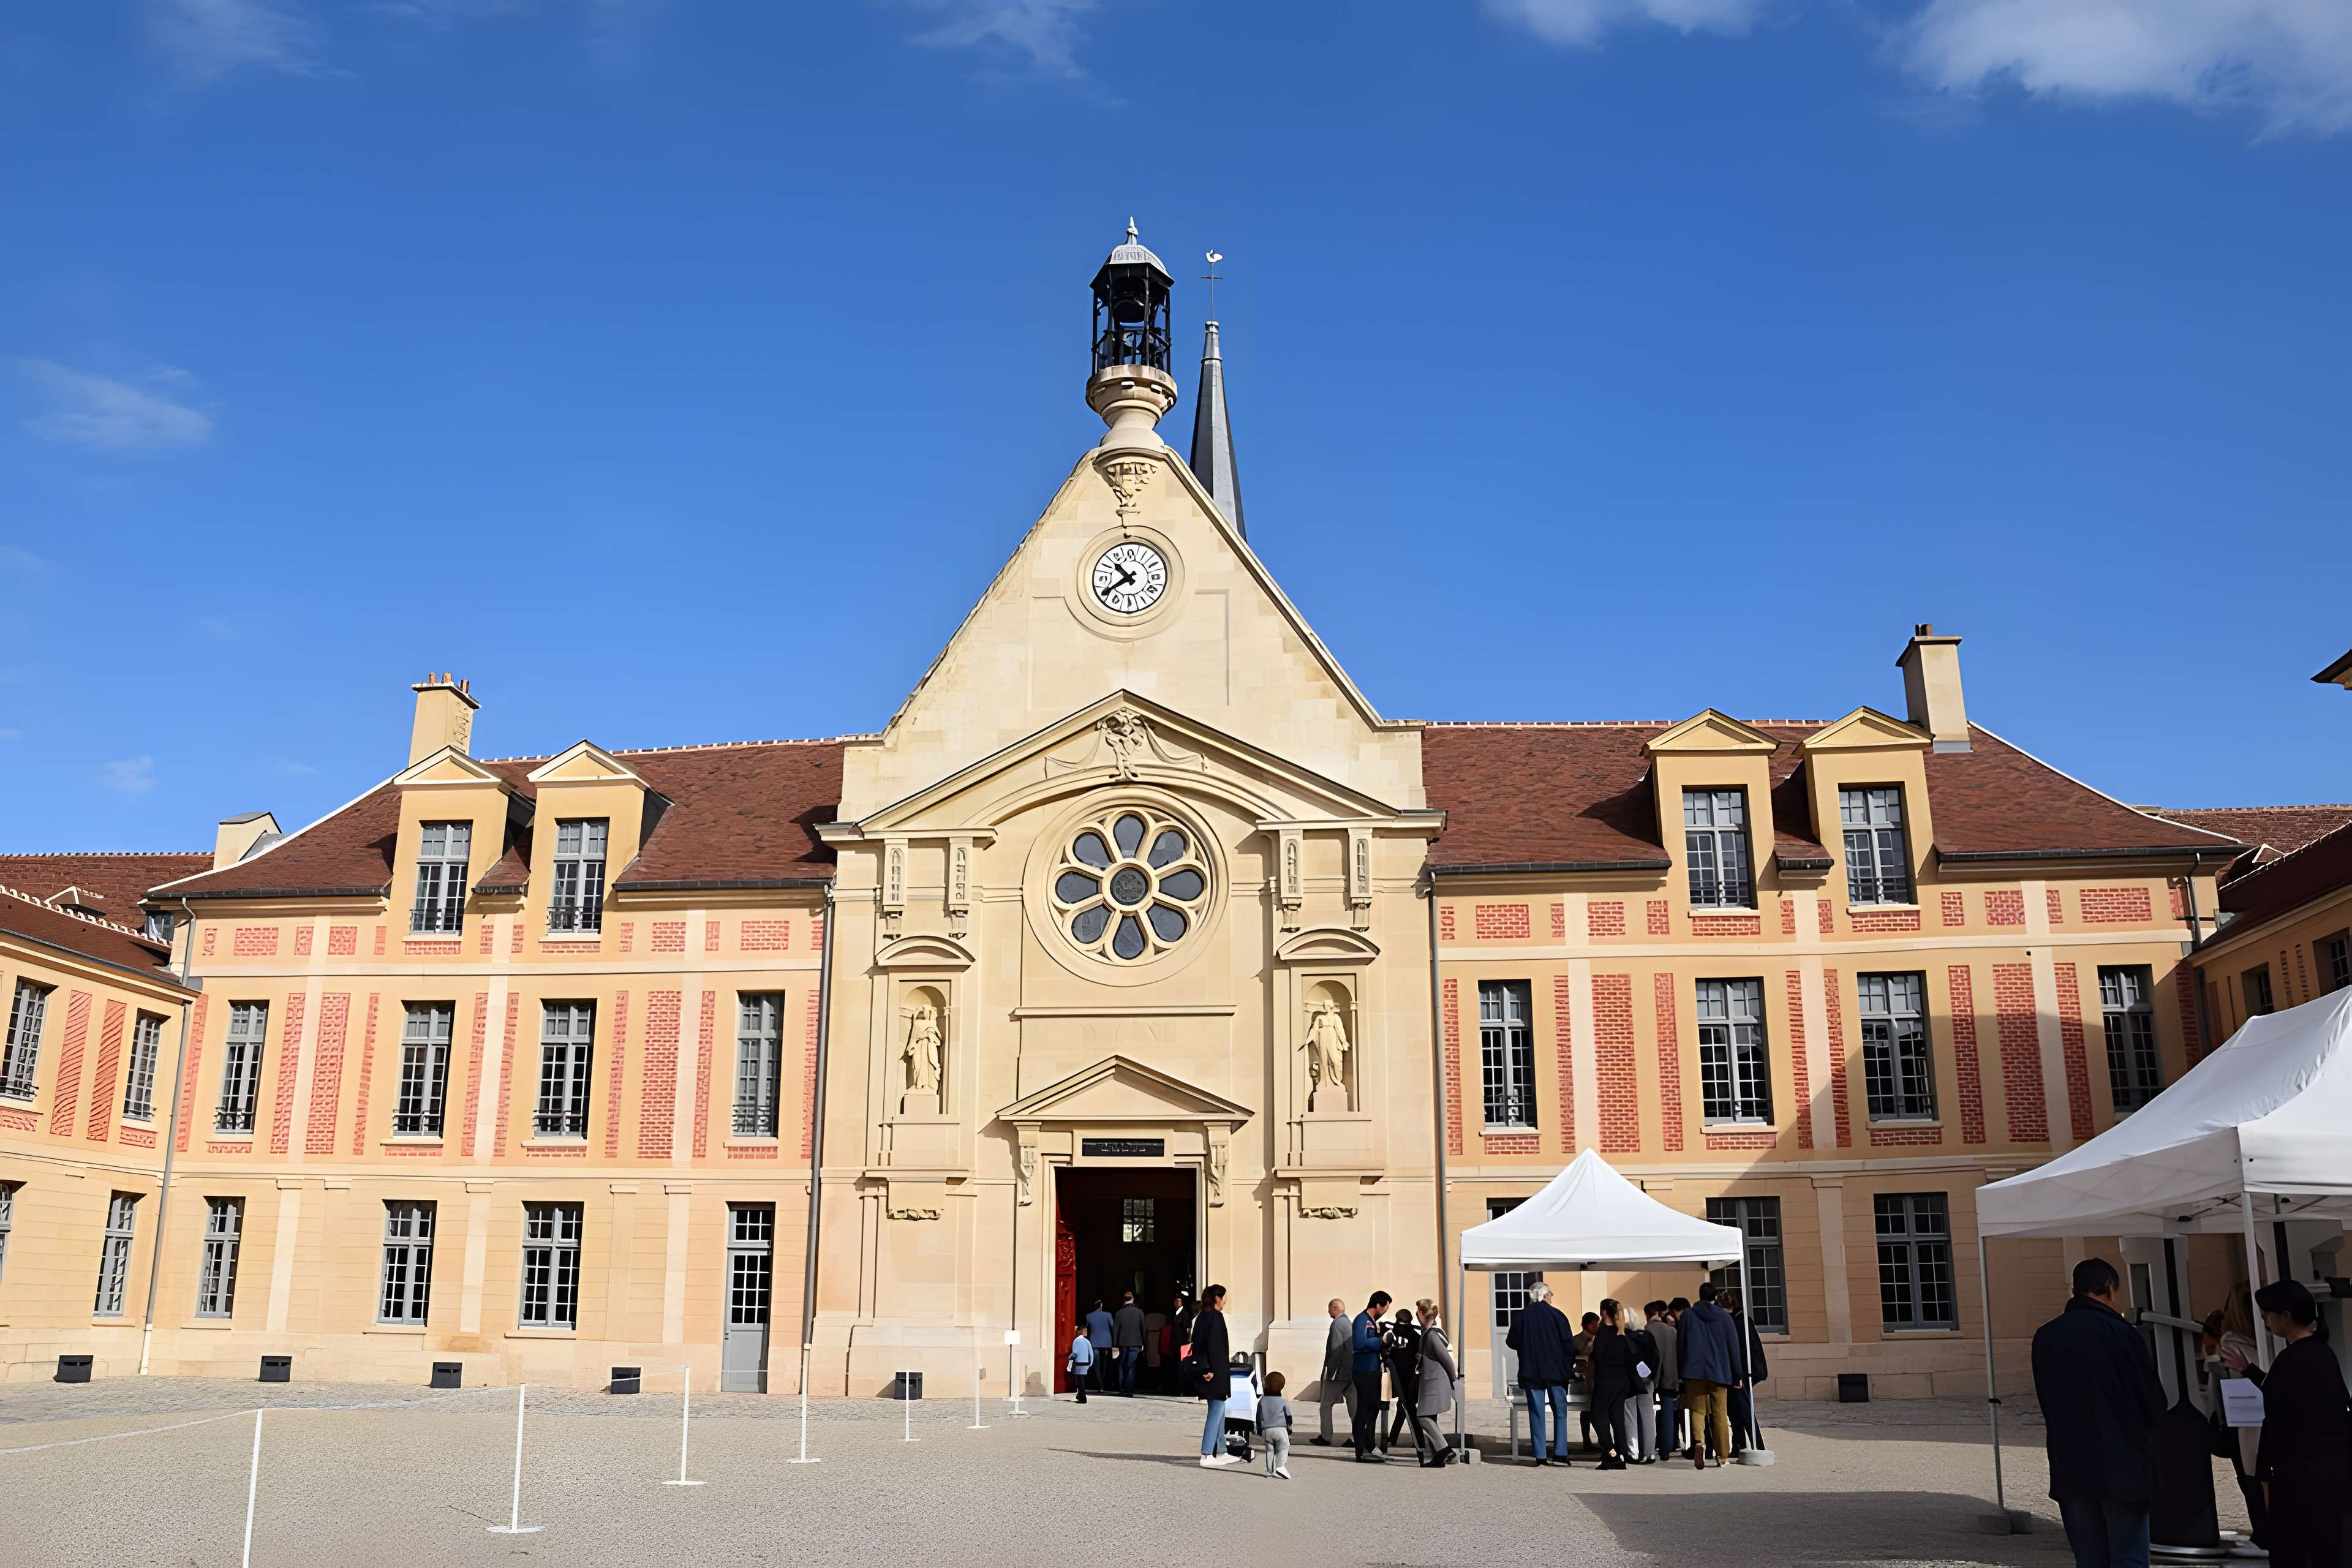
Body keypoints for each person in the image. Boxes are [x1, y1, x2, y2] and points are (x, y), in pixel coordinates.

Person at [2031, 1256, 2166, 1568]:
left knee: (2090, 1559)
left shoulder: (2046, 1335)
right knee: (2128, 1557)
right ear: (2110, 1290)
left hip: (2070, 1461)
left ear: (2075, 1290)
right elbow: (2152, 1403)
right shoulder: (2124, 1334)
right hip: (2123, 1461)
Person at [2250, 1279, 2351, 1568]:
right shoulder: (2324, 1355)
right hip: (2329, 1475)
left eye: (2267, 1315)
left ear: (2286, 1316)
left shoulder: (2291, 1359)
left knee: (2296, 1550)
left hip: (2296, 1478)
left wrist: (2265, 1473)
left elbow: (2278, 1420)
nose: (2265, 1322)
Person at [2209, 1284, 2269, 1550]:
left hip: (2248, 1427)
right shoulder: (2242, 1345)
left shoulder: (2233, 1345)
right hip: (2252, 1427)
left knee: (2254, 1481)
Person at [1506, 1280, 1577, 1467]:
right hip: (1556, 1372)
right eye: (1550, 1295)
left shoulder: (1522, 1316)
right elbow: (1569, 1345)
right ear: (1545, 1296)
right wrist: (1567, 1367)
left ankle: (1540, 1455)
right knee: (1560, 1412)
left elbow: (1511, 1342)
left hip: (1531, 1371)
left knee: (1536, 1412)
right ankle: (1561, 1453)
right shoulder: (1558, 1315)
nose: (1551, 1298)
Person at [1677, 1282, 1740, 1469]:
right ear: (1715, 1297)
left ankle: (1700, 1442)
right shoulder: (1724, 1317)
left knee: (1698, 1410)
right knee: (1720, 1412)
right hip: (1719, 1371)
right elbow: (1733, 1346)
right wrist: (1737, 1374)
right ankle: (1722, 1455)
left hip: (1693, 1370)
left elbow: (1681, 1344)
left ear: (1700, 1295)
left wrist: (1681, 1369)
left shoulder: (1688, 1315)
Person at [1588, 1298, 1640, 1471]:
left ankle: (1611, 1452)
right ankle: (1621, 1453)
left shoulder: (1603, 1332)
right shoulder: (1621, 1333)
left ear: (1604, 1312)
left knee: (1597, 1415)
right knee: (1617, 1418)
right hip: (1622, 1381)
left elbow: (1598, 1357)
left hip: (1607, 1380)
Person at [1193, 1284, 1239, 1468]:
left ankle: (1221, 1451)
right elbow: (1215, 1346)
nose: (1226, 1301)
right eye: (1224, 1297)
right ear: (1218, 1299)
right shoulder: (1215, 1317)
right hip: (1215, 1371)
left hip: (1208, 1369)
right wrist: (1211, 1369)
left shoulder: (1202, 1316)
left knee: (1219, 1409)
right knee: (1216, 1410)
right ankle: (1206, 1454)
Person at [1414, 1300, 1462, 1467]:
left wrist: (1454, 1380)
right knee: (1430, 1418)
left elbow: (1446, 1360)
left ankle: (1445, 1450)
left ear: (1422, 1313)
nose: (1416, 1315)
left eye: (1417, 1311)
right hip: (1433, 1382)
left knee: (1422, 1417)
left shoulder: (1432, 1335)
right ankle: (1440, 1455)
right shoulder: (1430, 1333)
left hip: (1435, 1383)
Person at [1351, 1291, 1393, 1463]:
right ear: (1378, 1305)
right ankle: (1361, 1450)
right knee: (1363, 1410)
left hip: (1373, 1369)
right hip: (1364, 1371)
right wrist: (1380, 1341)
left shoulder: (1371, 1322)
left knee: (1372, 1409)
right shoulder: (1362, 1320)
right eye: (1385, 1308)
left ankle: (1370, 1445)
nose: (1385, 1311)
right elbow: (1359, 1343)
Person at [1725, 1292, 1770, 1454]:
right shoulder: (1740, 1320)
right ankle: (1739, 1444)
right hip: (1741, 1373)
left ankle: (1758, 1446)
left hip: (1742, 1374)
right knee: (1734, 1411)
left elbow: (1742, 1351)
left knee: (1745, 1413)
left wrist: (1740, 1375)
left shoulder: (1738, 1322)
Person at [1623, 1302, 1661, 1463]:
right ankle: (1650, 1452)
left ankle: (1633, 1451)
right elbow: (1656, 1357)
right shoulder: (1647, 1336)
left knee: (1630, 1415)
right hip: (1648, 1380)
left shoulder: (1624, 1338)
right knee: (1648, 1415)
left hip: (1631, 1380)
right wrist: (1651, 1376)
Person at [1383, 1307, 1424, 1453]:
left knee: (1408, 1409)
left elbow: (1413, 1359)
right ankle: (1396, 1438)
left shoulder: (1415, 1338)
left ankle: (1419, 1441)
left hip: (1409, 1380)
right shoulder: (1393, 1335)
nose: (1400, 1325)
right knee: (1404, 1408)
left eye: (1404, 1322)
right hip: (1396, 1378)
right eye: (1399, 1321)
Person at [1315, 1297, 1352, 1446]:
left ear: (1335, 1309)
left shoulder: (1337, 1324)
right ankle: (1357, 1437)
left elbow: (1336, 1350)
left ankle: (1326, 1436)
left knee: (1326, 1404)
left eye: (1329, 1308)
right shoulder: (1348, 1322)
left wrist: (1330, 1372)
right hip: (1351, 1372)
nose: (1328, 1311)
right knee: (1354, 1407)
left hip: (1339, 1373)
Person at [1646, 1300, 1679, 1463]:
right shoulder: (1673, 1331)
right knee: (1668, 1413)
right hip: (1670, 1376)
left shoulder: (1647, 1330)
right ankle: (1666, 1450)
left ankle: (1648, 1447)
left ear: (1649, 1314)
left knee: (1647, 1413)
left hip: (1651, 1377)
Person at [1656, 1298, 1687, 1457]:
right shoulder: (1677, 1323)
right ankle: (1677, 1442)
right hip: (1679, 1375)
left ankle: (1671, 1443)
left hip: (1673, 1375)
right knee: (1679, 1411)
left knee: (1674, 1411)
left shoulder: (1674, 1323)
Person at [1258, 1371, 1295, 1480]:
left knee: (1270, 1450)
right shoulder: (1283, 1401)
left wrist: (1259, 1430)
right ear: (1282, 1387)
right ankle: (1280, 1466)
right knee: (1284, 1447)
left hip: (1267, 1430)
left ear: (1266, 1385)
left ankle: (1270, 1470)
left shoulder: (1262, 1401)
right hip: (1280, 1429)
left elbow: (1259, 1416)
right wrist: (1289, 1428)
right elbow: (1288, 1416)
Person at [1575, 1311, 1602, 1452]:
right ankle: (1587, 1441)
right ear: (1585, 1325)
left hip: (1597, 1379)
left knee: (1595, 1412)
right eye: (1593, 1324)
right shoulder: (1578, 1340)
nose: (1596, 1327)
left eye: (1597, 1324)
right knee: (1586, 1412)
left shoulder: (1600, 1339)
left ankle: (1601, 1440)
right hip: (1584, 1381)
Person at [1113, 1291, 1145, 1396]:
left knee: (1121, 1366)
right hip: (1136, 1343)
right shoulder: (1140, 1312)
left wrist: (1115, 1344)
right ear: (1133, 1299)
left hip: (1122, 1343)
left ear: (1124, 1300)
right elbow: (1143, 1329)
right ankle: (1129, 1388)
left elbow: (1116, 1330)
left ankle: (1122, 1387)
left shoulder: (1119, 1313)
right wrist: (1144, 1343)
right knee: (1131, 1366)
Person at [1084, 1297, 1114, 1396]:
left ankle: (1100, 1385)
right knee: (1105, 1365)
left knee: (1096, 1366)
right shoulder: (1108, 1315)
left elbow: (1088, 1330)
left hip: (1094, 1342)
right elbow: (1112, 1327)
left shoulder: (1089, 1316)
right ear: (1101, 1306)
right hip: (1106, 1343)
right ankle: (1104, 1384)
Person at [1067, 1321, 1096, 1404]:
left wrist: (1070, 1361)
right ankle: (1079, 1395)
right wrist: (1091, 1363)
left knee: (1079, 1381)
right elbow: (1091, 1353)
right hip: (1086, 1363)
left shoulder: (1076, 1341)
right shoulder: (1087, 1341)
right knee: (1082, 1379)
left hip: (1079, 1363)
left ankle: (1083, 1398)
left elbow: (1075, 1353)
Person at [1142, 1301, 1169, 1391]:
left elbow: (1144, 1330)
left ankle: (1151, 1382)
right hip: (1159, 1338)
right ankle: (1158, 1383)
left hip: (1150, 1339)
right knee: (1159, 1361)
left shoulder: (1148, 1317)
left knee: (1151, 1361)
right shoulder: (1163, 1317)